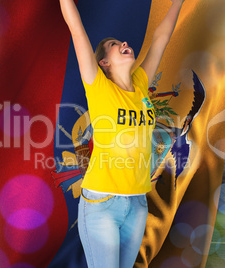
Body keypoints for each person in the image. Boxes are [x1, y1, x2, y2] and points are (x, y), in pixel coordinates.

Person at [59, 0, 184, 267]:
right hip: (102, 203)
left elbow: (161, 38)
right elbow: (76, 28)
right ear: (104, 62)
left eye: (122, 42)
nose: (124, 42)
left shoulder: (140, 85)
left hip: (137, 203)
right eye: (115, 44)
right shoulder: (98, 85)